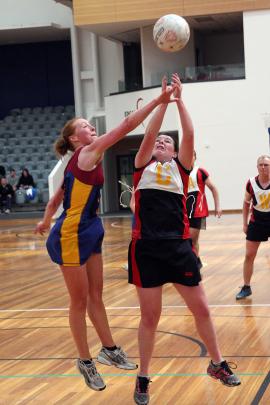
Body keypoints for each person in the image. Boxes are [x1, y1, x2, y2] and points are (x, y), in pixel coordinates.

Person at [35, 82, 177, 392]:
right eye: (85, 126)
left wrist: (45, 218)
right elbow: (126, 125)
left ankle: (109, 349)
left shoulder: (83, 160)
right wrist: (159, 100)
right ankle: (84, 361)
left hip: (91, 229)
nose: (91, 127)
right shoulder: (87, 152)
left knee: (97, 296)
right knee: (79, 300)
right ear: (75, 139)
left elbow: (57, 197)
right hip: (71, 234)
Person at [128, 74, 240, 405]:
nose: (160, 142)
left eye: (166, 141)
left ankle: (217, 364)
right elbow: (149, 133)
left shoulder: (182, 168)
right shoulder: (141, 166)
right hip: (146, 248)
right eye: (158, 141)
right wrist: (162, 102)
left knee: (202, 308)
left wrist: (179, 100)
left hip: (178, 247)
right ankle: (144, 377)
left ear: (176, 151)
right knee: (150, 317)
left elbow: (189, 133)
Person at [236, 155, 270, 300]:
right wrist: (244, 223)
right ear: (257, 167)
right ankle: (246, 287)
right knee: (249, 255)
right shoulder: (251, 183)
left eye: (266, 165)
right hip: (257, 221)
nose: (263, 167)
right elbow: (245, 204)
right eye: (261, 165)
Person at [187, 151, 222, 268]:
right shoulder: (179, 172)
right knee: (183, 239)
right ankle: (195, 261)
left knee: (192, 240)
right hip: (183, 210)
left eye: (191, 155)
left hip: (198, 211)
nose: (188, 157)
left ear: (195, 157)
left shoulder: (200, 172)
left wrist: (217, 206)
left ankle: (195, 262)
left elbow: (213, 188)